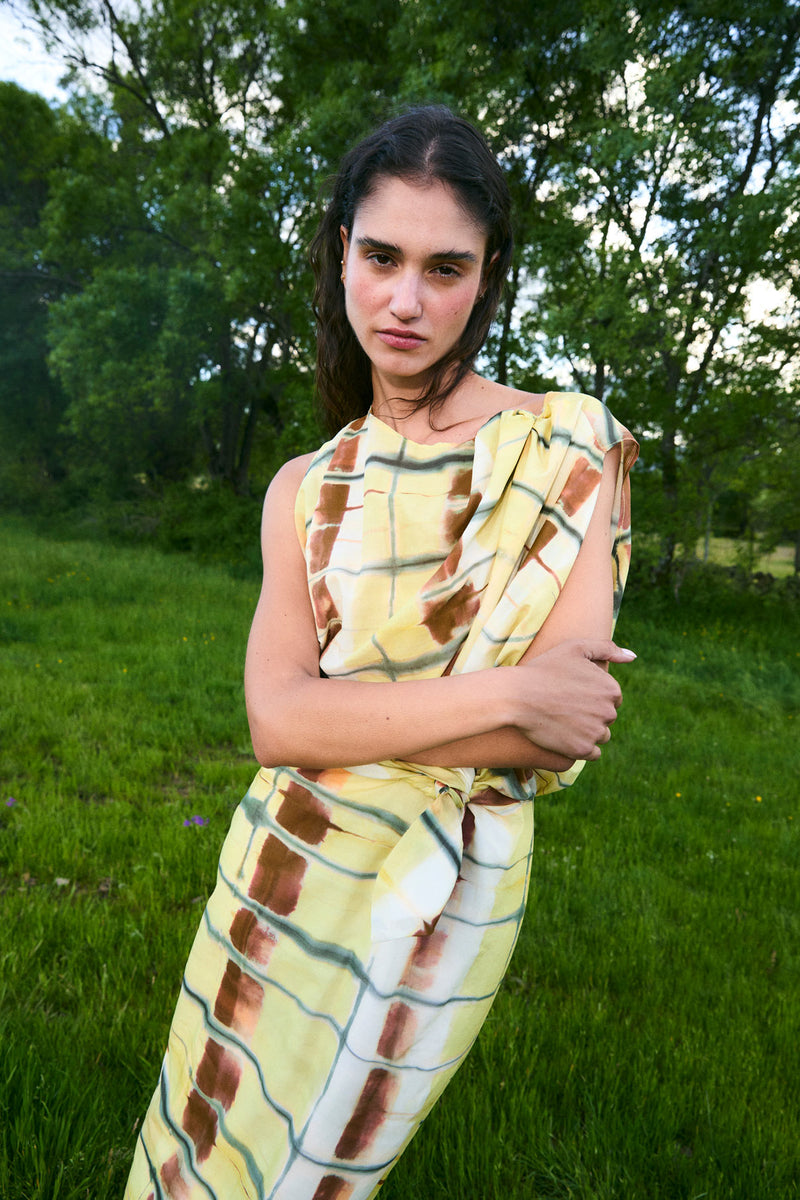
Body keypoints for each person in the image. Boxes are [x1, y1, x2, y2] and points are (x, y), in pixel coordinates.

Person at [124, 105, 638, 1200]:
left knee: (319, 1173)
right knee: (193, 1155)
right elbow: (277, 723)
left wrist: (348, 715)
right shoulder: (303, 486)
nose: (406, 300)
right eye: (381, 257)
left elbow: (559, 736)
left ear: (486, 280)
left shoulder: (567, 448)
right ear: (341, 255)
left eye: (445, 268)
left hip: (442, 896)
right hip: (277, 874)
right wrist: (509, 691)